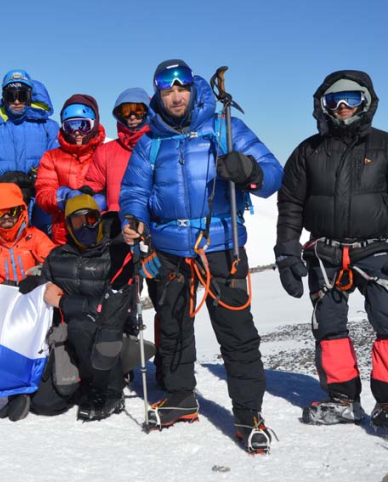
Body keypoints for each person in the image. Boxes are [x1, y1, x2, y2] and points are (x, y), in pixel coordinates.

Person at [120, 59, 283, 453]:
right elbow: (134, 192)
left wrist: (247, 170)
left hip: (221, 247)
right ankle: (180, 397)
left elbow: (272, 174)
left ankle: (248, 414)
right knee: (173, 327)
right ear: (158, 94)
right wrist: (133, 219)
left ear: (192, 89)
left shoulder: (225, 127)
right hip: (169, 250)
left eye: (182, 87)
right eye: (167, 89)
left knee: (236, 333)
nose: (175, 96)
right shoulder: (150, 142)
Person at [275, 70, 388, 428]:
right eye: (333, 101)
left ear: (366, 101)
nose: (341, 107)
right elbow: (290, 204)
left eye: (351, 99)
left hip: (378, 251)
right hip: (325, 255)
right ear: (322, 106)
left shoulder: (385, 147)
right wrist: (286, 250)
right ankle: (342, 399)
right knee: (329, 327)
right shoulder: (308, 151)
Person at [0, 194, 132, 422]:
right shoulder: (57, 257)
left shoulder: (116, 255)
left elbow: (112, 306)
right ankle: (76, 385)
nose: (86, 226)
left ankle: (109, 390)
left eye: (90, 219)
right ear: (68, 226)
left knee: (81, 325)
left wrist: (62, 302)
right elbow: (42, 300)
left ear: (99, 219)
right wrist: (31, 289)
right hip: (68, 340)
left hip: (105, 336)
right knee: (44, 404)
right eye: (78, 222)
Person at [0, 69, 58, 233]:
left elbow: (58, 162)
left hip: (41, 210)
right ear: (4, 97)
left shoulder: (49, 127)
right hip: (3, 213)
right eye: (11, 95)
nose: (16, 101)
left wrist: (38, 180)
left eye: (21, 95)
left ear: (29, 96)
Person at [35, 94, 107, 245]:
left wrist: (104, 199)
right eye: (70, 126)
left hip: (101, 231)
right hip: (64, 235)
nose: (77, 132)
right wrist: (63, 197)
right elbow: (43, 194)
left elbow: (118, 187)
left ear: (94, 124)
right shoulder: (52, 157)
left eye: (83, 125)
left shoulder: (105, 153)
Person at [84, 88, 152, 213]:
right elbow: (93, 189)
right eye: (126, 112)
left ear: (148, 112)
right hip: (117, 225)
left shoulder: (160, 145)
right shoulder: (106, 151)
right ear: (120, 115)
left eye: (138, 110)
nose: (132, 117)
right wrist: (105, 216)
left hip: (153, 225)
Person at [0, 183, 55, 284]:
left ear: (20, 210)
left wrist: (38, 279)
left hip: (32, 295)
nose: (6, 216)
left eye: (12, 211)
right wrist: (0, 289)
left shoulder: (36, 237)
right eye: (0, 212)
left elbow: (54, 266)